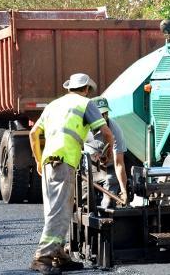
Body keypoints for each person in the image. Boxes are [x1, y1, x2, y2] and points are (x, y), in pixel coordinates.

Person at [28, 73, 114, 275]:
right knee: (60, 212)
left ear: (69, 88)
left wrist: (39, 161)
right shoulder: (86, 103)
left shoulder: (53, 105)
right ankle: (42, 258)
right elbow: (107, 133)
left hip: (49, 161)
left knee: (54, 210)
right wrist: (107, 153)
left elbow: (33, 134)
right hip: (64, 161)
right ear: (87, 89)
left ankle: (60, 257)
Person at [84, 96, 128, 208]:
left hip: (109, 166)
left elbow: (119, 164)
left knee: (108, 203)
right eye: (100, 114)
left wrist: (124, 191)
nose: (104, 116)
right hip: (89, 166)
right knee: (85, 201)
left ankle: (107, 220)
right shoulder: (83, 127)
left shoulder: (115, 130)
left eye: (106, 113)